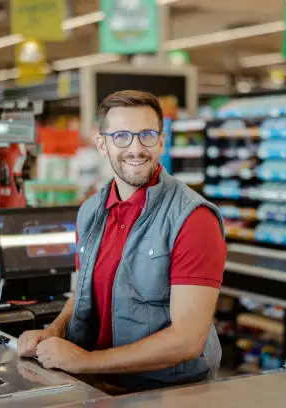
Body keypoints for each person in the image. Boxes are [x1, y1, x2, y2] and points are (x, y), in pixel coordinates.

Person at [17, 90, 227, 392]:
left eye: (147, 135)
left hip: (166, 393)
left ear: (162, 141)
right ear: (102, 144)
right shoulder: (91, 211)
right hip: (96, 386)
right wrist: (53, 332)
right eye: (122, 137)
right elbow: (84, 290)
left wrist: (84, 361)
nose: (136, 148)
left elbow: (187, 340)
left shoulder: (193, 219)